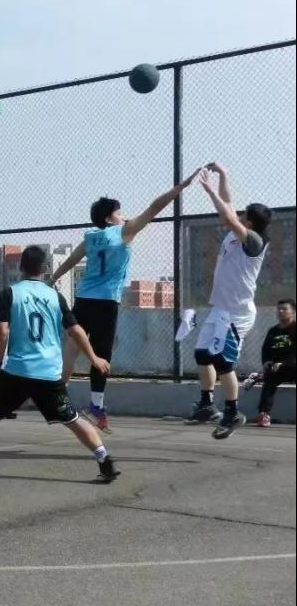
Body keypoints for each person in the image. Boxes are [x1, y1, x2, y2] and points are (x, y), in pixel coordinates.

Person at [0, 246, 120, 483]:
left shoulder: (10, 293)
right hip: (49, 374)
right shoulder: (55, 297)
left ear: (21, 267)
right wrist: (94, 358)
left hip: (18, 372)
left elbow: (2, 331)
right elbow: (76, 331)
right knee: (72, 419)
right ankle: (105, 461)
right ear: (45, 269)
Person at [50, 168, 201, 432]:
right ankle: (96, 406)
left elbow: (73, 259)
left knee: (73, 346)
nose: (124, 215)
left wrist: (54, 278)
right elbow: (155, 207)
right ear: (109, 218)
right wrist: (181, 186)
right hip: (106, 301)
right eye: (119, 212)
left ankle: (56, 396)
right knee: (101, 354)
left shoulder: (91, 237)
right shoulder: (122, 232)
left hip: (83, 297)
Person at [188, 163, 272, 439]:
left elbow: (226, 212)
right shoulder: (238, 232)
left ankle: (233, 412)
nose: (238, 215)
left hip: (237, 313)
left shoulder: (254, 241)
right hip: (220, 310)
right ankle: (206, 403)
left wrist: (208, 189)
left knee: (223, 362)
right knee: (202, 354)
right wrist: (223, 174)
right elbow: (228, 204)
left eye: (243, 215)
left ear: (249, 223)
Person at [249, 299, 296, 427]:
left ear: (293, 312)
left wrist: (284, 363)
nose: (280, 311)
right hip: (278, 369)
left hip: (292, 366)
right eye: (279, 309)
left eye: (284, 309)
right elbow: (265, 350)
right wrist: (266, 362)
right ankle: (264, 414)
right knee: (269, 379)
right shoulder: (273, 331)